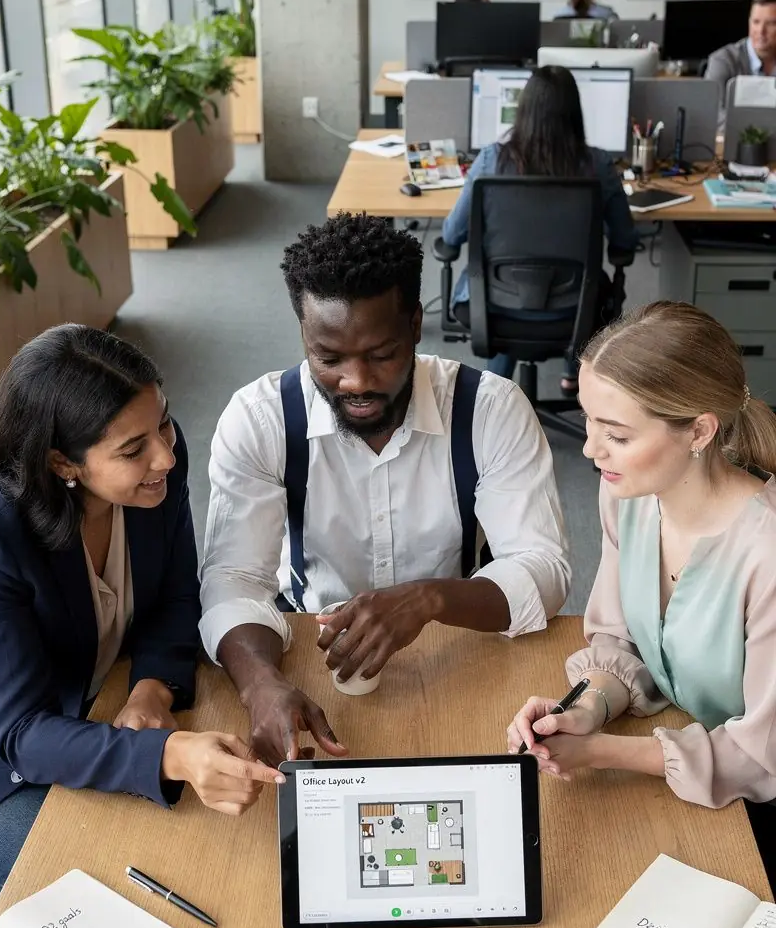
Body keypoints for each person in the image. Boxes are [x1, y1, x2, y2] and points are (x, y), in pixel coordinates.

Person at [200, 214, 570, 767]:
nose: (357, 381)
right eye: (328, 358)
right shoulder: (260, 419)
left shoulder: (490, 409)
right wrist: (259, 686)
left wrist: (430, 597)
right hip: (305, 649)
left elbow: (544, 566)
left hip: (456, 647)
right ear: (303, 332)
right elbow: (231, 578)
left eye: (381, 354)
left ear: (417, 325)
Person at [0, 325, 282, 904]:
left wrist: (152, 688)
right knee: (127, 903)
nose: (166, 452)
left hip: (89, 707)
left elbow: (179, 594)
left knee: (207, 867)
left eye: (162, 421)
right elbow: (24, 734)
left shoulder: (154, 473)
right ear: (64, 462)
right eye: (133, 449)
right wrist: (169, 754)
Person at [507, 301, 776, 820]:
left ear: (699, 432)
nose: (589, 450)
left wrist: (601, 751)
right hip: (694, 780)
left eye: (618, 435)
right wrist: (587, 708)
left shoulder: (765, 555)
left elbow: (762, 754)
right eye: (588, 421)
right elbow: (622, 638)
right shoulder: (627, 498)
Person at [441, 66, 637, 386]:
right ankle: (573, 373)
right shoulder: (599, 165)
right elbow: (624, 240)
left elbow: (451, 235)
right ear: (575, 113)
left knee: (503, 286)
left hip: (495, 305)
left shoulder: (491, 160)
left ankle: (492, 396)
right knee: (579, 286)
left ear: (523, 111)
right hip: (574, 309)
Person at [705, 0, 776, 126]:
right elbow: (713, 113)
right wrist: (756, 134)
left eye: (771, 24)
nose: (760, 31)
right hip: (736, 142)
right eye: (756, 22)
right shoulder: (723, 60)